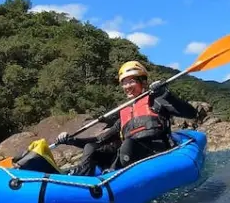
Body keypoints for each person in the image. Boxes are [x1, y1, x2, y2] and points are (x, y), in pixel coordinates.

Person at [56, 60, 199, 176]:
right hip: (127, 155)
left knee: (129, 143)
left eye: (131, 82)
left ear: (142, 82)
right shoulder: (124, 112)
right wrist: (71, 140)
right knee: (91, 147)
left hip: (155, 152)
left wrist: (167, 95)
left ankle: (113, 174)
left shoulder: (156, 100)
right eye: (124, 83)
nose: (126, 86)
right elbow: (100, 140)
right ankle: (82, 179)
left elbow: (191, 113)